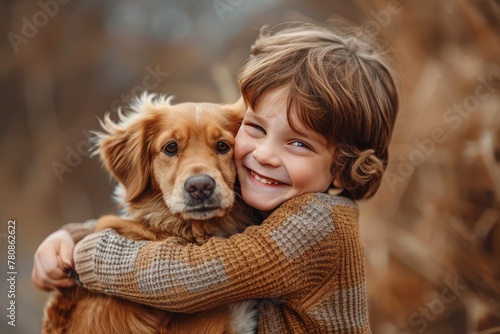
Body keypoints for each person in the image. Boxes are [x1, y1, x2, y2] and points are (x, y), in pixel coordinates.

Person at [32, 21, 399, 333]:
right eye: (255, 130)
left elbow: (192, 277)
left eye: (299, 143)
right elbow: (146, 233)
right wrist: (72, 235)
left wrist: (85, 253)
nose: (265, 155)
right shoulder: (274, 201)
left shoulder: (316, 223)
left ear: (342, 170)